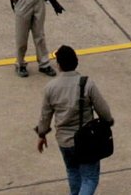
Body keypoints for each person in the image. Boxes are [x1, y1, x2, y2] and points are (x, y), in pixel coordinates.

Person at [36, 45, 114, 195]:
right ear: (76, 62)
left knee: (73, 172)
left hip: (64, 142)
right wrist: (109, 121)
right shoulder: (87, 84)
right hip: (86, 142)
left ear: (58, 65)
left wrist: (41, 135)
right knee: (90, 178)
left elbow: (45, 116)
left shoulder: (50, 88)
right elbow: (104, 111)